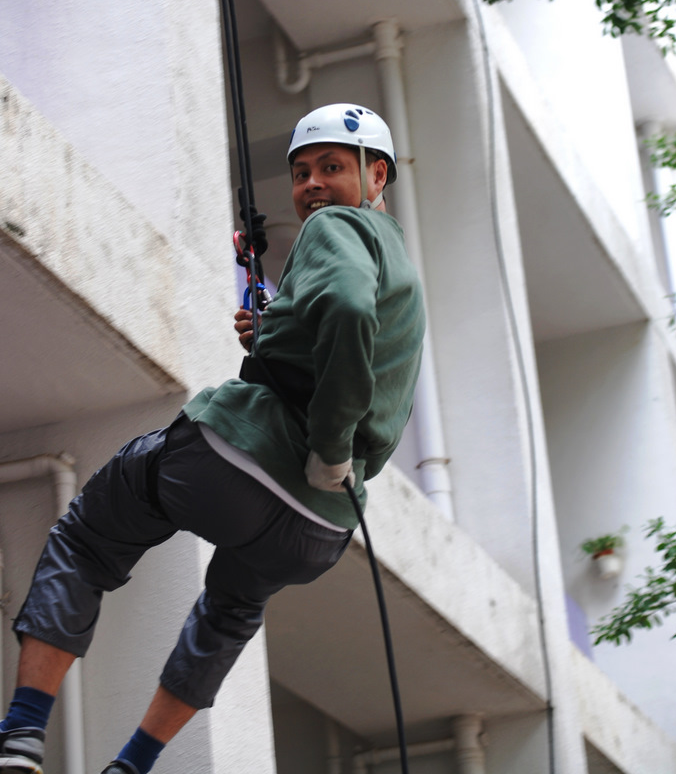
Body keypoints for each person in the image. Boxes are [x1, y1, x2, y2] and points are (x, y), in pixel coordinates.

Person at [0, 103, 425, 774]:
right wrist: (277, 333)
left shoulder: (336, 226)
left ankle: (23, 733)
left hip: (243, 459)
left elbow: (344, 308)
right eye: (302, 173)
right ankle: (133, 765)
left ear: (378, 176)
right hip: (317, 527)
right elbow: (349, 337)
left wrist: (329, 446)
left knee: (86, 540)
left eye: (332, 167)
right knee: (229, 614)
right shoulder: (399, 268)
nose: (312, 185)